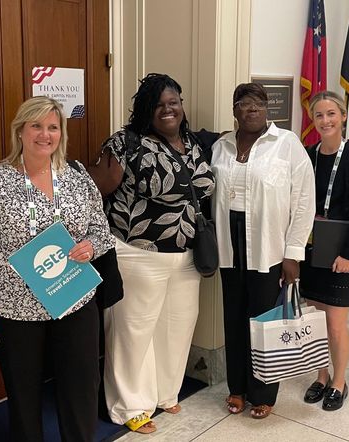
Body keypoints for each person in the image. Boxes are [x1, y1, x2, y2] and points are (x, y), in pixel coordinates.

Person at [0, 96, 114, 442]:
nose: (45, 134)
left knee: (81, 391)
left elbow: (101, 230)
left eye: (53, 127)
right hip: (15, 310)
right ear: (20, 131)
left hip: (73, 300)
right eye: (36, 126)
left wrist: (91, 246)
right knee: (24, 400)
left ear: (61, 133)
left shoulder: (77, 179)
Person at [101, 73, 215, 434]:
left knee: (177, 326)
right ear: (145, 110)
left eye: (173, 102)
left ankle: (166, 392)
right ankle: (130, 405)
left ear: (182, 105)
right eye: (158, 104)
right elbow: (96, 191)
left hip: (185, 256)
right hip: (138, 253)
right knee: (134, 330)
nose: (168, 109)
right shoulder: (127, 143)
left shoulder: (194, 142)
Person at [211, 83, 315, 419]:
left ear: (267, 108)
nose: (251, 109)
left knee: (264, 321)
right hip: (230, 245)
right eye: (244, 103)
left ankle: (263, 393)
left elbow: (303, 201)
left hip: (269, 248)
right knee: (234, 318)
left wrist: (293, 253)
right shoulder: (221, 146)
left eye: (258, 103)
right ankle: (237, 389)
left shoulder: (287, 144)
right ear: (234, 110)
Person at [300, 91, 349, 411]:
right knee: (315, 320)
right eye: (319, 115)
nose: (326, 120)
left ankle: (339, 381)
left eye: (331, 114)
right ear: (313, 120)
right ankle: (321, 376)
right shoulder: (307, 154)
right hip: (313, 247)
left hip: (345, 251)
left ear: (343, 116)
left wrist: (348, 254)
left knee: (335, 322)